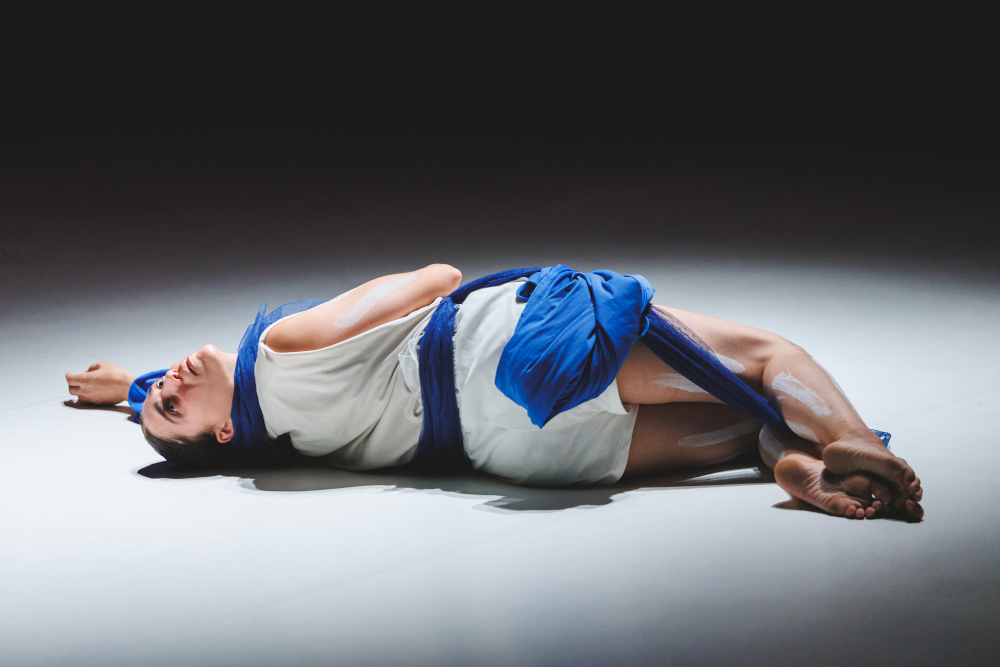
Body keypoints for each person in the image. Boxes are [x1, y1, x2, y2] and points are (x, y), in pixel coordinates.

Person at [65, 263, 923, 520]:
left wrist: (127, 395)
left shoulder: (281, 442)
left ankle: (791, 462)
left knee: (742, 429)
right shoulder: (280, 347)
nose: (168, 380)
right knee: (767, 357)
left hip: (530, 454)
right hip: (510, 353)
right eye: (170, 401)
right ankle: (863, 446)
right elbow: (434, 277)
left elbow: (190, 398)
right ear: (220, 436)